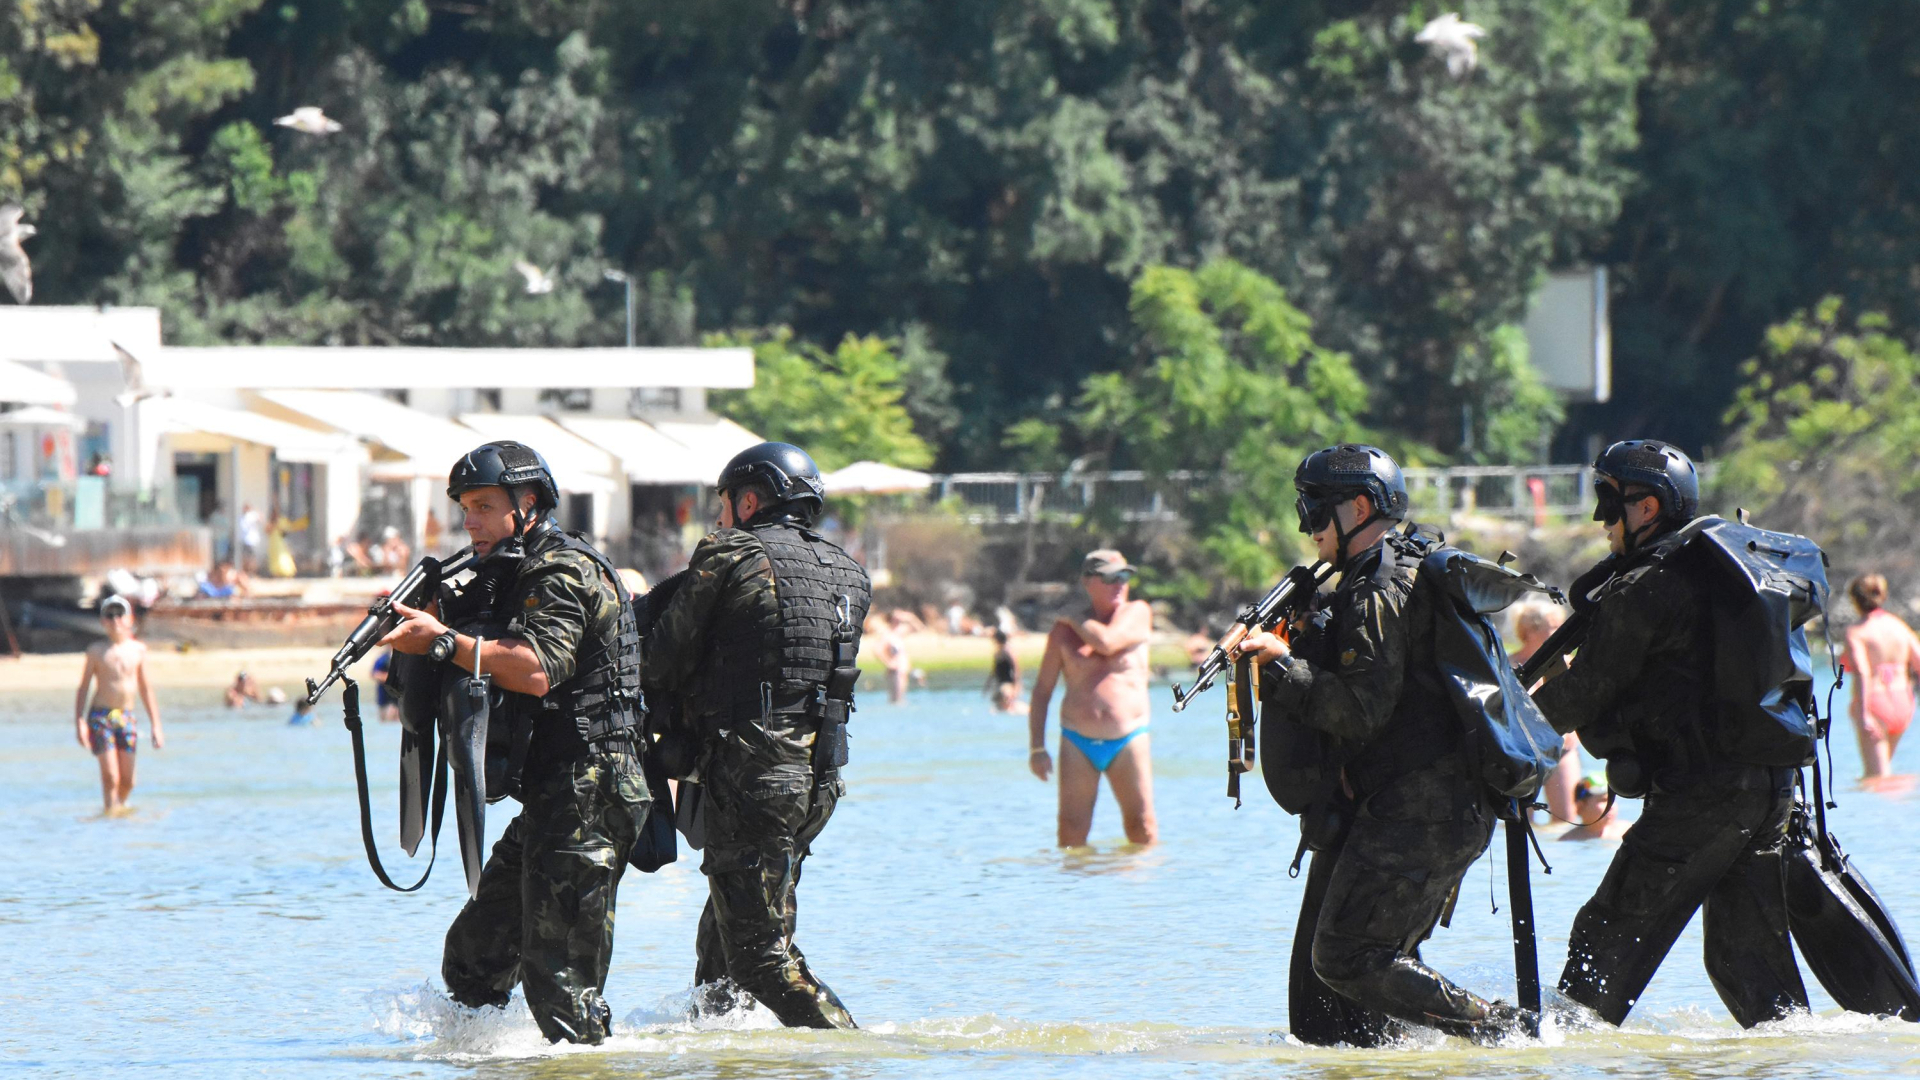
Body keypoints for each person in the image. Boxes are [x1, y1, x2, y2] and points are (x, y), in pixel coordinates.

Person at [1234, 444, 1527, 1044]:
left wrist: (1283, 667)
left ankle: (1504, 1034)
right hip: (1398, 804)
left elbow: (1360, 709)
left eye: (1316, 512)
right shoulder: (1382, 574)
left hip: (1425, 810)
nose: (1306, 527)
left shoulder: (1380, 589)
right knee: (1323, 1012)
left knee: (1345, 958)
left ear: (1361, 508)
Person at [376, 440, 649, 1045]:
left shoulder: (561, 569)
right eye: (464, 508)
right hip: (557, 793)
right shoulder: (508, 570)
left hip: (593, 791)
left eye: (483, 505)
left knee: (561, 987)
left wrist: (443, 639)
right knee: (474, 960)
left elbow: (534, 668)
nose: (469, 520)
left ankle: (589, 1057)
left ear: (527, 504)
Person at [1531, 439, 1806, 1028]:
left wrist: (1497, 734)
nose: (1604, 520)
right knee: (1745, 963)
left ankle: (1558, 1054)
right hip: (1770, 788)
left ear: (1647, 508)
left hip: (1702, 793)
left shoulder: (1645, 587)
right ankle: (1797, 1060)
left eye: (1611, 501)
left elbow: (1584, 693)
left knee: (1603, 935)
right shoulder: (1709, 574)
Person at [643, 441, 872, 1029]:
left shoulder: (732, 553)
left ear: (748, 501)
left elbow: (663, 660)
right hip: (820, 778)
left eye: (723, 505)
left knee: (757, 956)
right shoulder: (848, 571)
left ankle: (854, 1052)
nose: (719, 518)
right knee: (724, 946)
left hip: (756, 777)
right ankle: (726, 1057)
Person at [1027, 549, 1157, 848]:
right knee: (1071, 833)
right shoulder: (1063, 633)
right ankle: (1075, 891)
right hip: (1077, 740)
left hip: (1129, 738)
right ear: (1088, 582)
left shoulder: (1137, 613)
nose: (1120, 584)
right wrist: (1036, 747)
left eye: (1124, 576)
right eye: (1111, 578)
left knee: (1143, 828)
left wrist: (1072, 616)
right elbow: (1042, 691)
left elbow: (1107, 643)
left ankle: (1144, 890)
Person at [72, 596, 164, 815]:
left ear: (129, 618)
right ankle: (110, 812)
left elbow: (146, 689)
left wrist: (156, 725)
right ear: (103, 621)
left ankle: (116, 810)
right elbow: (83, 688)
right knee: (111, 776)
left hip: (126, 716)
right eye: (109, 615)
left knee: (128, 780)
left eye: (119, 614)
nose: (115, 620)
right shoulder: (96, 651)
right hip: (100, 716)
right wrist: (80, 722)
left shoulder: (138, 650)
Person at [1843, 574, 1920, 781]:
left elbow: (1861, 671)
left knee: (1875, 778)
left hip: (1875, 703)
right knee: (1886, 772)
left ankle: (1881, 812)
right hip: (1903, 702)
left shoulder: (1857, 632)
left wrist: (1864, 713)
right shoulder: (1899, 627)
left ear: (1855, 599)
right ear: (1882, 595)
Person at [1511, 598, 1581, 824]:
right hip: (1522, 752)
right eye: (1554, 627)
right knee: (1520, 821)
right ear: (1531, 630)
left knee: (1566, 818)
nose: (1561, 633)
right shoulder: (1509, 664)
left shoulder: (1569, 663)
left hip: (1562, 748)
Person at [1559, 773, 1629, 842]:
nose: (1611, 807)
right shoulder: (1569, 839)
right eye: (1604, 801)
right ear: (1580, 806)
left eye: (1612, 800)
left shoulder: (1627, 831)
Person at [986, 628, 1025, 713]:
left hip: (1008, 682)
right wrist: (988, 684)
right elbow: (994, 670)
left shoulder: (1008, 652)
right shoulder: (997, 653)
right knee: (997, 702)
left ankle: (1012, 705)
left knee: (1007, 700)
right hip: (1000, 682)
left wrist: (1017, 683)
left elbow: (1015, 668)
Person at [877, 611, 913, 703]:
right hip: (895, 671)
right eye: (896, 620)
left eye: (899, 620)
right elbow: (877, 650)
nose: (898, 622)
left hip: (902, 670)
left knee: (901, 698)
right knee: (896, 699)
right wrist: (888, 663)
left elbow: (919, 628)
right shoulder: (887, 635)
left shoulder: (900, 633)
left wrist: (910, 617)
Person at [369, 650, 401, 722]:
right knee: (384, 719)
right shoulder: (383, 659)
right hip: (384, 696)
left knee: (397, 719)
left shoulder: (403, 658)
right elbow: (374, 674)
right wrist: (390, 678)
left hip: (398, 697)